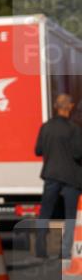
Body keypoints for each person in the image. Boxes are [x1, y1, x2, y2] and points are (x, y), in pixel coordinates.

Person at [34, 93, 82, 259]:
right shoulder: (74, 128)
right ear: (69, 107)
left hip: (50, 175)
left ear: (56, 107)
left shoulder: (46, 127)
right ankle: (65, 250)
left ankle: (40, 248)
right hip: (71, 178)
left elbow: (38, 150)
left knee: (45, 212)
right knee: (70, 216)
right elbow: (78, 153)